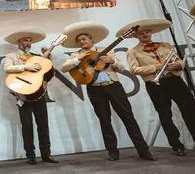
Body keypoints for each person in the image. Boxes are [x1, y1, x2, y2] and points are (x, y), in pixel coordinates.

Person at [59, 22, 155, 161]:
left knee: (128, 118)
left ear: (92, 40)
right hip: (95, 90)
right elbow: (64, 68)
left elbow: (121, 68)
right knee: (104, 120)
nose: (81, 41)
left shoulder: (106, 50)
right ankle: (112, 152)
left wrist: (112, 61)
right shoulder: (76, 54)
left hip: (113, 86)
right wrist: (77, 60)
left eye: (84, 39)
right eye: (79, 40)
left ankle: (143, 150)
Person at [121, 19, 195, 156]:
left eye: (147, 31)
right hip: (155, 85)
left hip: (175, 81)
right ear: (136, 36)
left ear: (151, 32)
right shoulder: (133, 52)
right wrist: (156, 67)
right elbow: (134, 70)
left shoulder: (165, 45)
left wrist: (179, 65)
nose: (145, 34)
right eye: (141, 33)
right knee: (165, 115)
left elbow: (178, 60)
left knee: (191, 111)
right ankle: (176, 145)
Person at [3, 28, 59, 164]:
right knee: (27, 126)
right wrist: (25, 67)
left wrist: (48, 61)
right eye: (25, 40)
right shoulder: (11, 56)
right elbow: (7, 68)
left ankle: (46, 154)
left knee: (43, 125)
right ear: (18, 42)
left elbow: (48, 73)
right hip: (23, 96)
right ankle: (31, 155)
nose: (27, 42)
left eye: (29, 40)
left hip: (39, 94)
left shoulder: (36, 57)